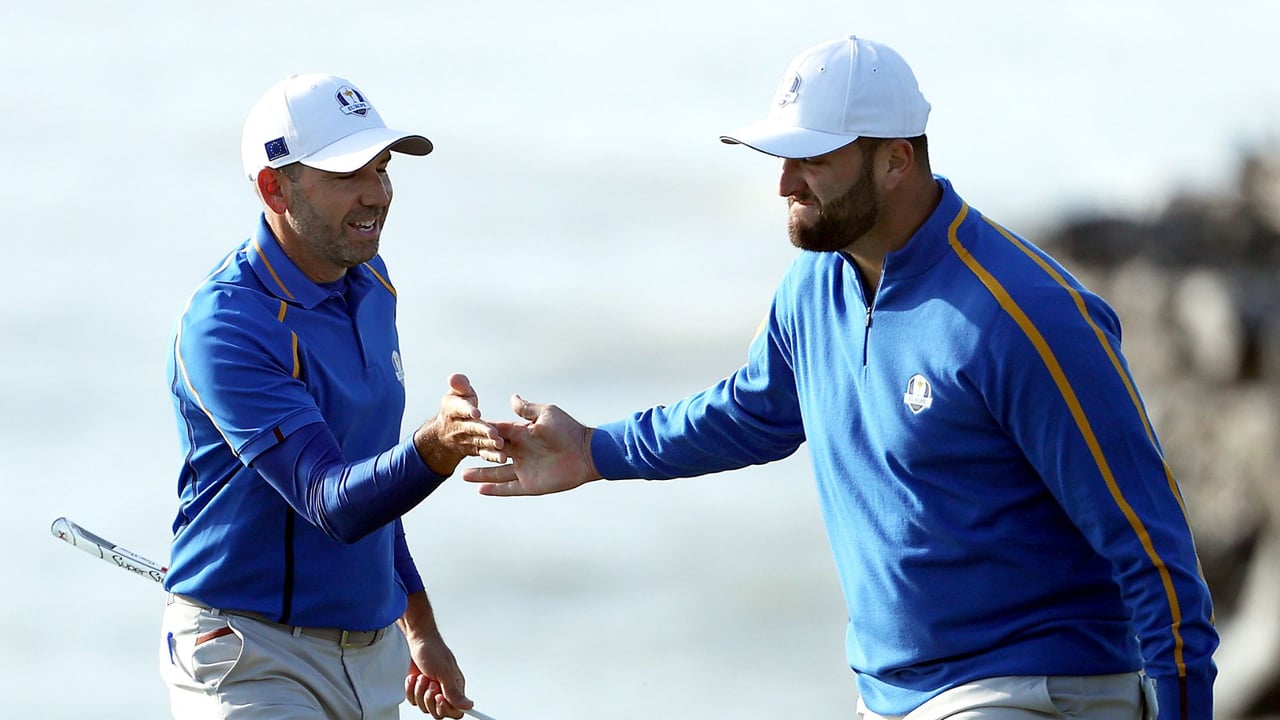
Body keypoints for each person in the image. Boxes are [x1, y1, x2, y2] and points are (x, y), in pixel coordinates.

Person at [463, 36, 1218, 720]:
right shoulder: (813, 286)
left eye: (813, 160)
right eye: (781, 159)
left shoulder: (1024, 318)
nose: (786, 183)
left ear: (896, 160)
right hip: (891, 696)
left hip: (1033, 689)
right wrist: (595, 450)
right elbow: (753, 413)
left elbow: (1153, 550)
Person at [161, 73, 503, 720]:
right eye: (348, 175)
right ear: (274, 187)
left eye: (382, 167)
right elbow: (332, 501)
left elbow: (368, 475)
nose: (377, 193)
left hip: (371, 658)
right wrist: (435, 448)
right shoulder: (228, 326)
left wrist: (419, 629)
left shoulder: (370, 281)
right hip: (248, 658)